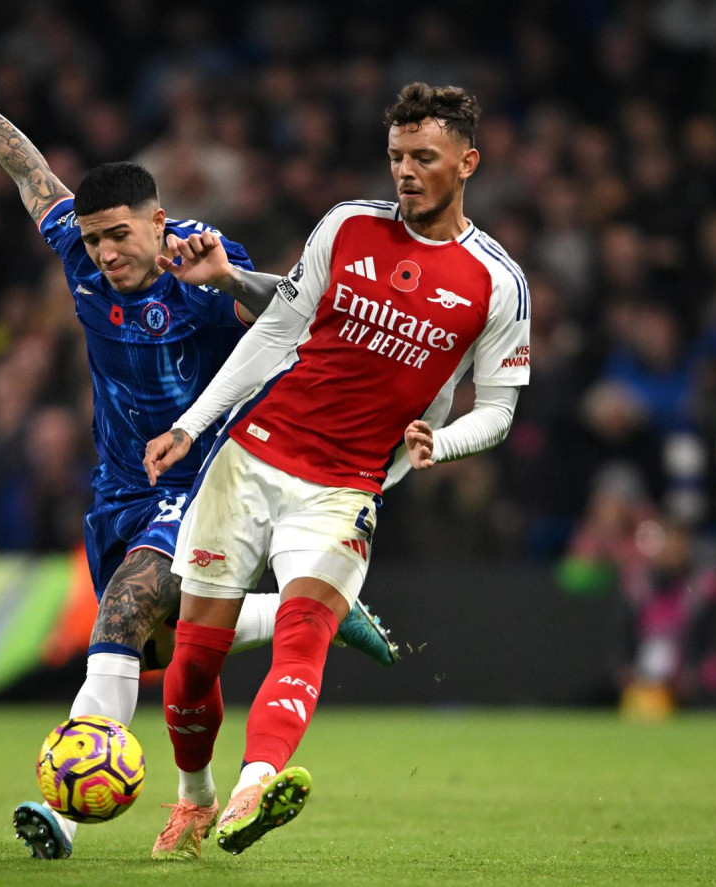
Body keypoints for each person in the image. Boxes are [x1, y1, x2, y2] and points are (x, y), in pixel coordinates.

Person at [0, 32, 398, 859]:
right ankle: (300, 611)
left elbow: (298, 313)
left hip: (205, 473)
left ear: (157, 220)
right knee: (155, 645)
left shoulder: (200, 260)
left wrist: (230, 282)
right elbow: (31, 175)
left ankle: (62, 811)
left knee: (125, 604)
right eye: (94, 238)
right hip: (121, 484)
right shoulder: (84, 259)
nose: (106, 252)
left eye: (120, 236)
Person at [142, 82, 531, 856]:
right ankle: (194, 797)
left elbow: (500, 408)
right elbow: (276, 332)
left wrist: (441, 441)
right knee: (189, 664)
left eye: (425, 157)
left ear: (468, 162)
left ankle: (254, 788)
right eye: (396, 156)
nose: (407, 172)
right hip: (250, 459)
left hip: (345, 486)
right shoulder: (347, 226)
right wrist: (192, 425)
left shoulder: (497, 280)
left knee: (304, 631)